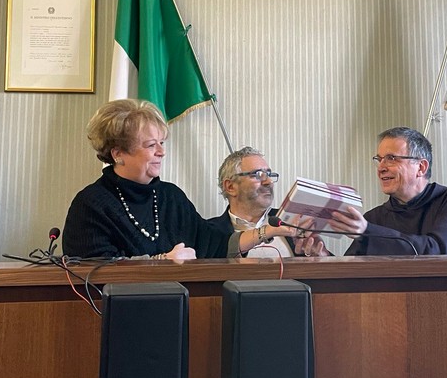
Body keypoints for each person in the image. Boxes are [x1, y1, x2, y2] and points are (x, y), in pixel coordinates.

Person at [62, 99, 294, 260]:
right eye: (151, 145)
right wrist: (162, 261)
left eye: (162, 143)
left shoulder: (171, 196)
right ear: (118, 154)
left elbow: (214, 244)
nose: (161, 152)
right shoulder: (91, 204)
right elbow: (92, 269)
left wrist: (268, 232)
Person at [295, 127, 447, 256]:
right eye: (379, 159)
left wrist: (366, 231)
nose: (381, 168)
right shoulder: (375, 218)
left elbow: (437, 253)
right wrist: (323, 255)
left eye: (391, 158)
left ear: (421, 167)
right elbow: (353, 272)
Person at [209, 147, 309, 257]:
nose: (269, 182)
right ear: (230, 187)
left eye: (269, 175)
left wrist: (318, 256)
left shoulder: (291, 221)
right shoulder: (208, 233)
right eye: (258, 175)